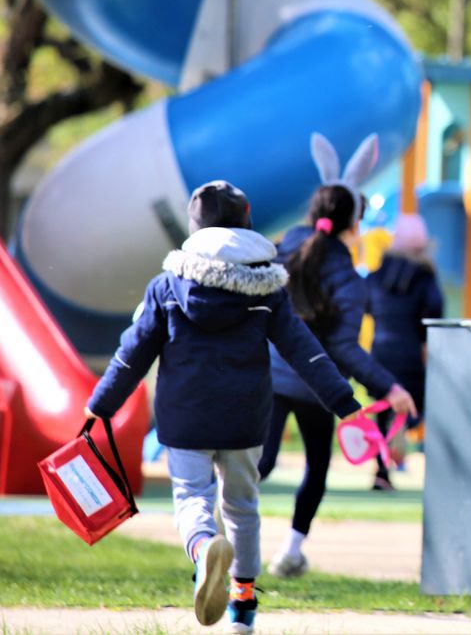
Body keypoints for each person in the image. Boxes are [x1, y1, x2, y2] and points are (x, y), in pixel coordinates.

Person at [87, 181, 360, 635]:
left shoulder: (166, 287)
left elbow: (132, 353)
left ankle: (203, 548)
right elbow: (303, 350)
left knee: (192, 499)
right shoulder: (268, 291)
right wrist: (343, 401)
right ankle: (242, 606)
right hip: (244, 419)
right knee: (242, 506)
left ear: (195, 227)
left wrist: (101, 404)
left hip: (185, 417)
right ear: (246, 222)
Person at [259, 179, 417, 577]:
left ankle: (210, 531)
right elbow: (346, 349)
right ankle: (290, 552)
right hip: (317, 386)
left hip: (271, 377)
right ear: (353, 226)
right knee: (316, 468)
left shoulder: (281, 251)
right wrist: (391, 387)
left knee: (259, 464)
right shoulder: (349, 280)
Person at [366, 213, 444, 490]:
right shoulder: (425, 278)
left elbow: (366, 304)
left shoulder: (378, 274)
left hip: (380, 353)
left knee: (383, 410)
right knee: (414, 408)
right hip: (411, 354)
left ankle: (382, 470)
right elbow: (435, 312)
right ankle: (399, 442)